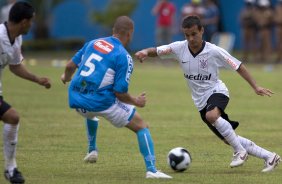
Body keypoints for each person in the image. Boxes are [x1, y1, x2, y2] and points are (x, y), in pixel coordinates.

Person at [135, 15, 281, 172]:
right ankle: (270, 157)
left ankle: (240, 152)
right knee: (229, 138)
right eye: (187, 35)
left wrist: (255, 86)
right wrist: (144, 51)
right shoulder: (178, 48)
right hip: (200, 102)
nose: (190, 38)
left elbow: (238, 66)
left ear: (202, 31)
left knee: (212, 116)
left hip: (217, 91)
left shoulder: (214, 51)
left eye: (194, 34)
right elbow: (156, 51)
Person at [61, 15, 172, 179]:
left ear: (113, 30)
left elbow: (70, 66)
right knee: (141, 126)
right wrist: (136, 101)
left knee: (90, 113)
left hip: (76, 98)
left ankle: (92, 149)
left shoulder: (93, 43)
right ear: (130, 34)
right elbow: (119, 93)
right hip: (101, 102)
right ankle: (152, 170)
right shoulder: (123, 56)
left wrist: (66, 77)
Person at [0, 1, 51, 183]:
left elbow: (15, 67)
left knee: (13, 118)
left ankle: (10, 169)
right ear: (23, 21)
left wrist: (37, 79)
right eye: (32, 20)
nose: (32, 24)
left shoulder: (17, 39)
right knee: (12, 117)